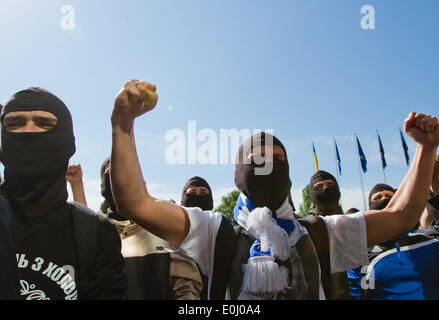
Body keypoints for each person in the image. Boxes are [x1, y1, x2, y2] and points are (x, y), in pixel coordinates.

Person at [110, 79, 439, 300]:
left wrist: (425, 150)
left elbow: (403, 214)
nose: (270, 165)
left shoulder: (322, 234)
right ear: (240, 173)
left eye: (278, 159)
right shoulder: (213, 233)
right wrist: (123, 123)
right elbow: (136, 202)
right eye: (259, 159)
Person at [0, 87, 126, 300]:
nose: (28, 131)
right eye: (14, 123)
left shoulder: (96, 234)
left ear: (66, 141)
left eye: (44, 123)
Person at [99, 157, 203, 300]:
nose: (119, 177)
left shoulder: (164, 226)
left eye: (126, 170)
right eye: (112, 172)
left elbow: (186, 289)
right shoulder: (95, 233)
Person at [347, 180, 439, 300]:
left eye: (389, 196)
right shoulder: (361, 256)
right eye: (377, 198)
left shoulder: (429, 243)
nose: (384, 199)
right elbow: (357, 294)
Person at [308, 170, 351, 299]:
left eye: (330, 185)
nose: (325, 189)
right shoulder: (306, 229)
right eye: (319, 187)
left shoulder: (353, 225)